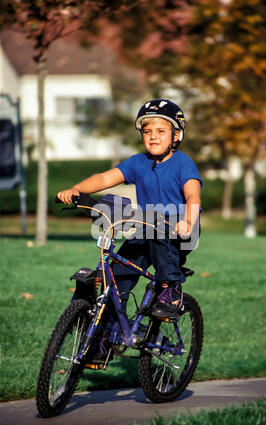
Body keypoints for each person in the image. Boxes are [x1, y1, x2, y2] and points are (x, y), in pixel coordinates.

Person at [57, 99, 202, 318]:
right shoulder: (138, 162)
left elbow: (193, 195)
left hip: (180, 230)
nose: (153, 136)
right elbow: (106, 178)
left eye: (161, 131)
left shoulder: (184, 163)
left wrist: (189, 221)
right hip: (147, 228)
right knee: (117, 272)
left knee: (158, 233)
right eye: (147, 131)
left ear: (176, 135)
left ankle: (170, 290)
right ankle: (108, 332)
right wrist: (76, 190)